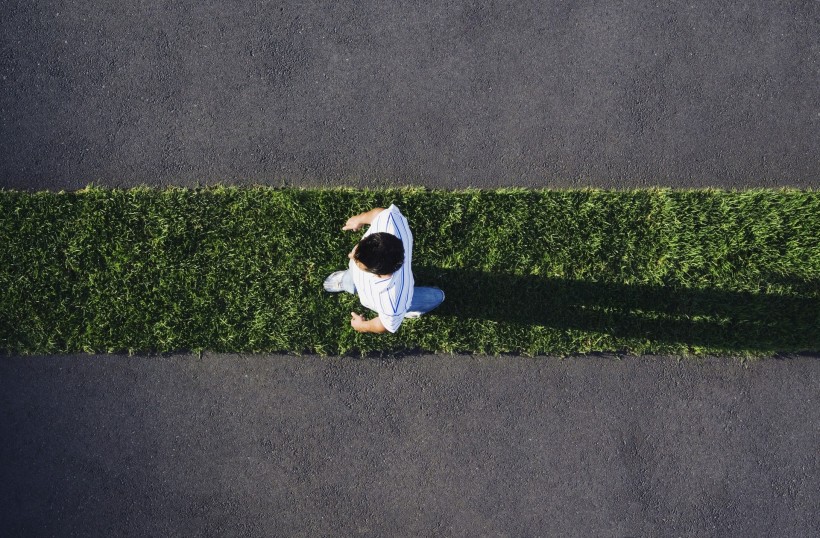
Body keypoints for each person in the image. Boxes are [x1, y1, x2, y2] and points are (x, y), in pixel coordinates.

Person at [323, 205, 444, 333]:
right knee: (352, 277)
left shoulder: (392, 302)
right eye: (357, 249)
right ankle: (347, 281)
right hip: (377, 279)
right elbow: (380, 214)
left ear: (379, 274)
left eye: (357, 261)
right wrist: (360, 219)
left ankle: (406, 311)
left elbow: (385, 326)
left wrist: (362, 326)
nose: (350, 255)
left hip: (396, 299)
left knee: (433, 298)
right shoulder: (391, 220)